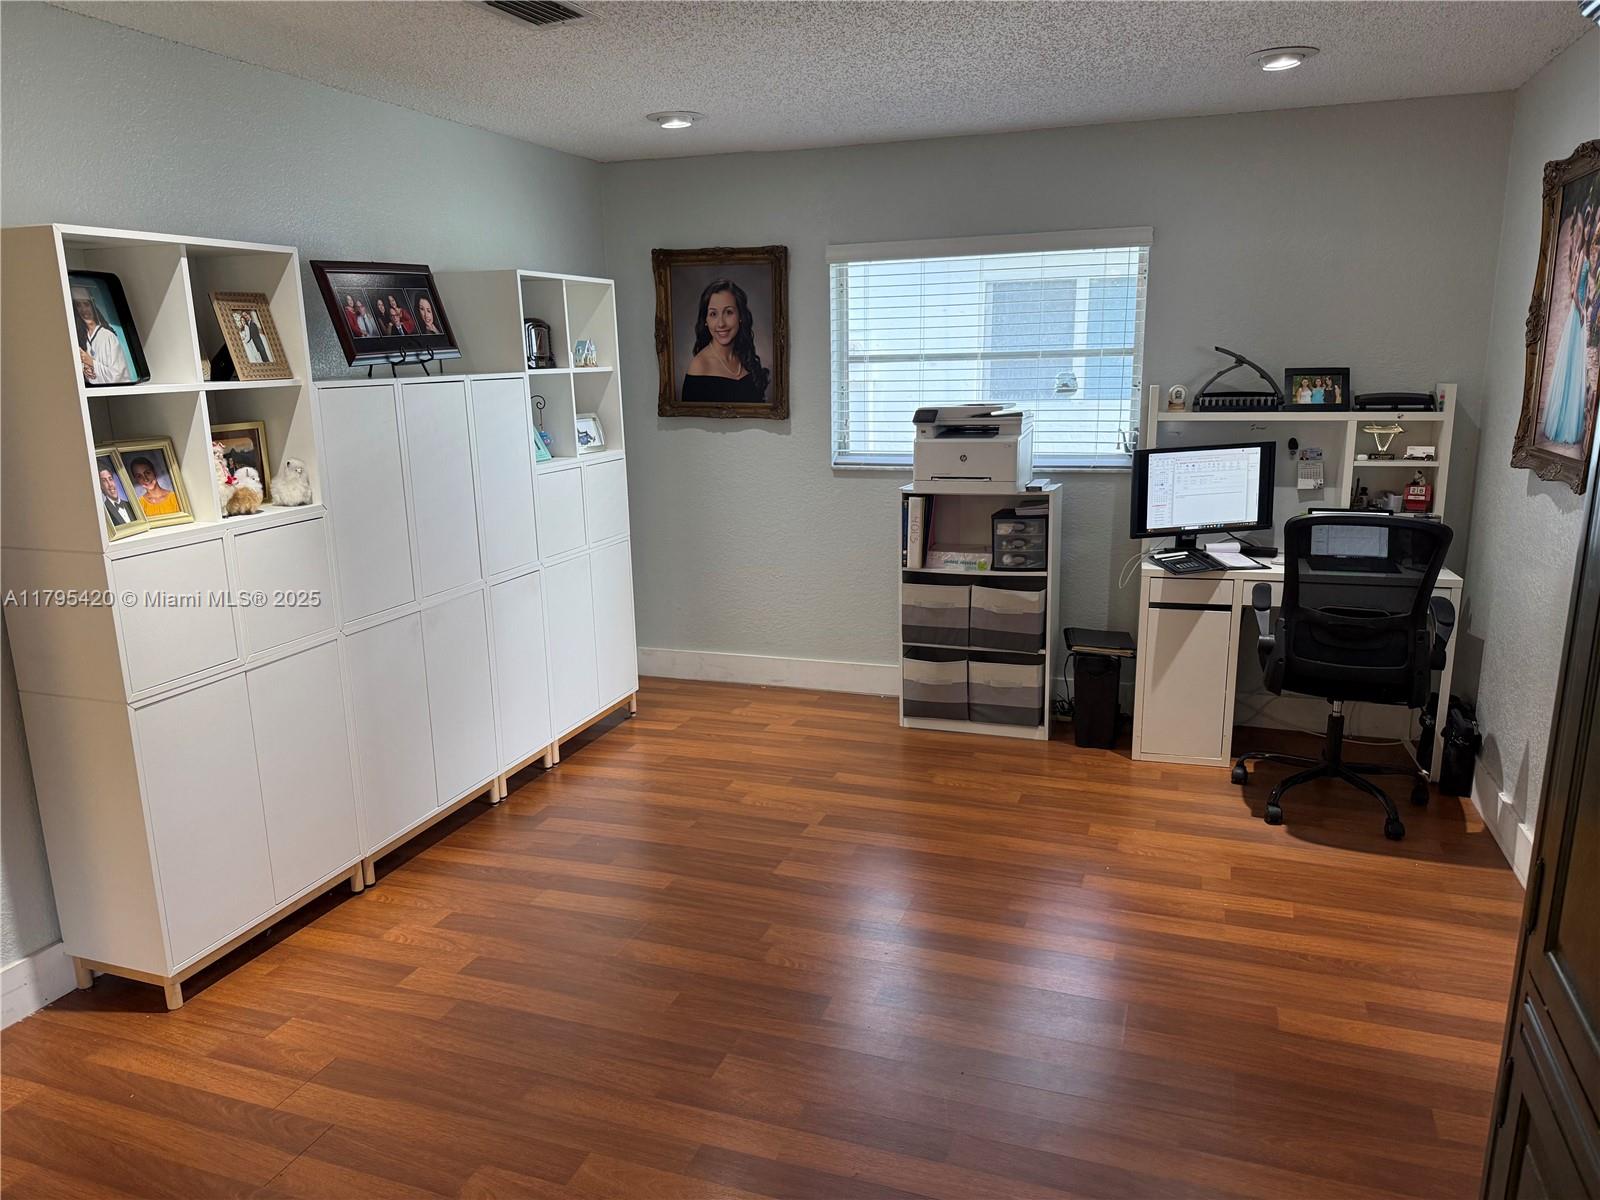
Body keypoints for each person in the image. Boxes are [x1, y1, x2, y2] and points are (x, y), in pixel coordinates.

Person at [1541, 198, 1598, 446]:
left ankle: (1568, 422)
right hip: (1577, 315)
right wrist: (1582, 310)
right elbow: (1575, 291)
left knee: (1576, 367)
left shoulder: (1590, 259)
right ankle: (1562, 422)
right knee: (1571, 364)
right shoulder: (1583, 258)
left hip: (1582, 313)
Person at [680, 278, 770, 406]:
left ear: (740, 316)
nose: (721, 323)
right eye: (713, 314)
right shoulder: (699, 366)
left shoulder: (745, 356)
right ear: (705, 320)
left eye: (728, 312)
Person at [72, 285, 131, 385]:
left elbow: (118, 376)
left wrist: (91, 362)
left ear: (92, 306)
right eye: (78, 305)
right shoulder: (82, 339)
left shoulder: (108, 337)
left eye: (86, 304)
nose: (83, 310)